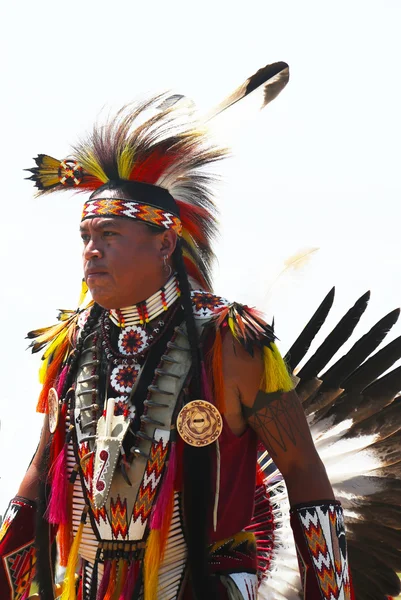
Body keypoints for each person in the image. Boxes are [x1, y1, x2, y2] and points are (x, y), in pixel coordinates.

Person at [0, 75, 357, 600]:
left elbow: (302, 469)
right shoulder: (72, 345)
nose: (90, 251)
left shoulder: (229, 343)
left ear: (165, 242)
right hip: (94, 585)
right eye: (86, 237)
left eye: (110, 235)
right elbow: (39, 474)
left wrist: (331, 593)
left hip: (205, 585)